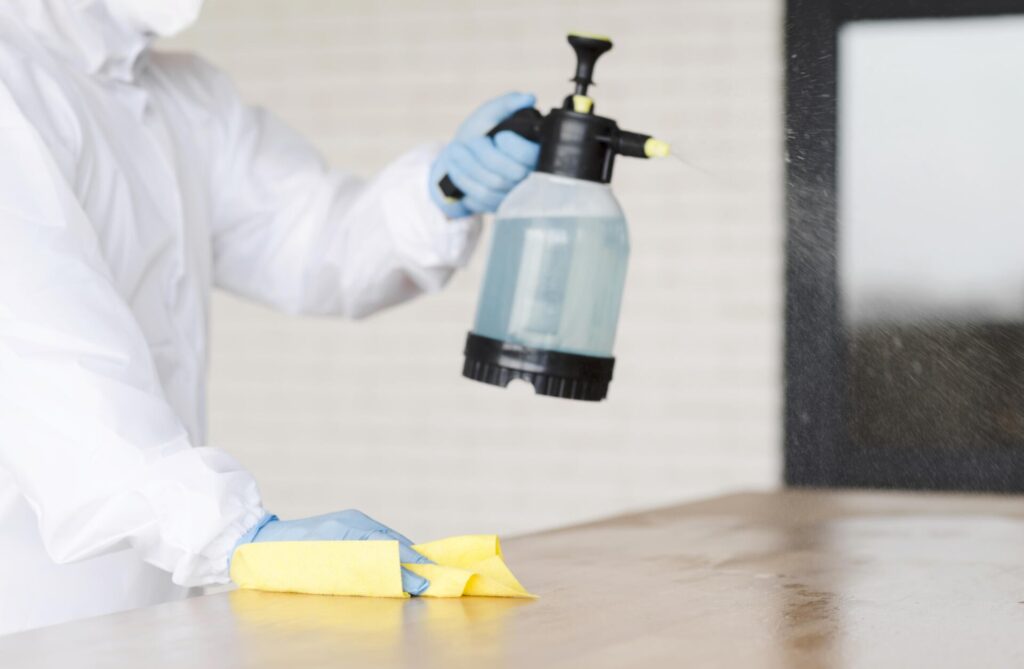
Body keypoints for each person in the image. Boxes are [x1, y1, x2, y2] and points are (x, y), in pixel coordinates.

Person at [0, 0, 540, 635]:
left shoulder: (182, 94)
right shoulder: (15, 80)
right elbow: (43, 356)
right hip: (30, 595)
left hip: (152, 591)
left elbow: (308, 241)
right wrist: (233, 532)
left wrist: (442, 191)